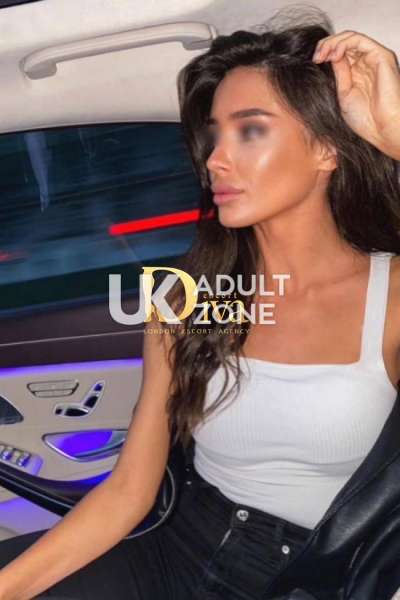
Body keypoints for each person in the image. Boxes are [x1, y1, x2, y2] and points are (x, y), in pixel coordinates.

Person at [0, 10, 400, 600]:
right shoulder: (188, 299)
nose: (215, 159)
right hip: (175, 546)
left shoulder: (391, 296)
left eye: (251, 131)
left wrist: (393, 134)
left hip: (308, 580)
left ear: (327, 148)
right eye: (215, 134)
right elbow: (129, 492)